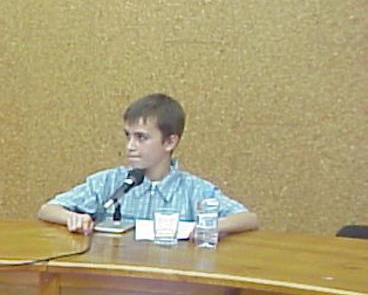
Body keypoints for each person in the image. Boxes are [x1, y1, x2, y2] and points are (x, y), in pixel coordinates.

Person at [36, 93, 259, 236]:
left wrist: (209, 228)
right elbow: (47, 209)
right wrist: (73, 218)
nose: (130, 146)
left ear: (170, 142)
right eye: (128, 136)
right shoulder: (110, 182)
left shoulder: (194, 190)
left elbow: (248, 219)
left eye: (141, 138)